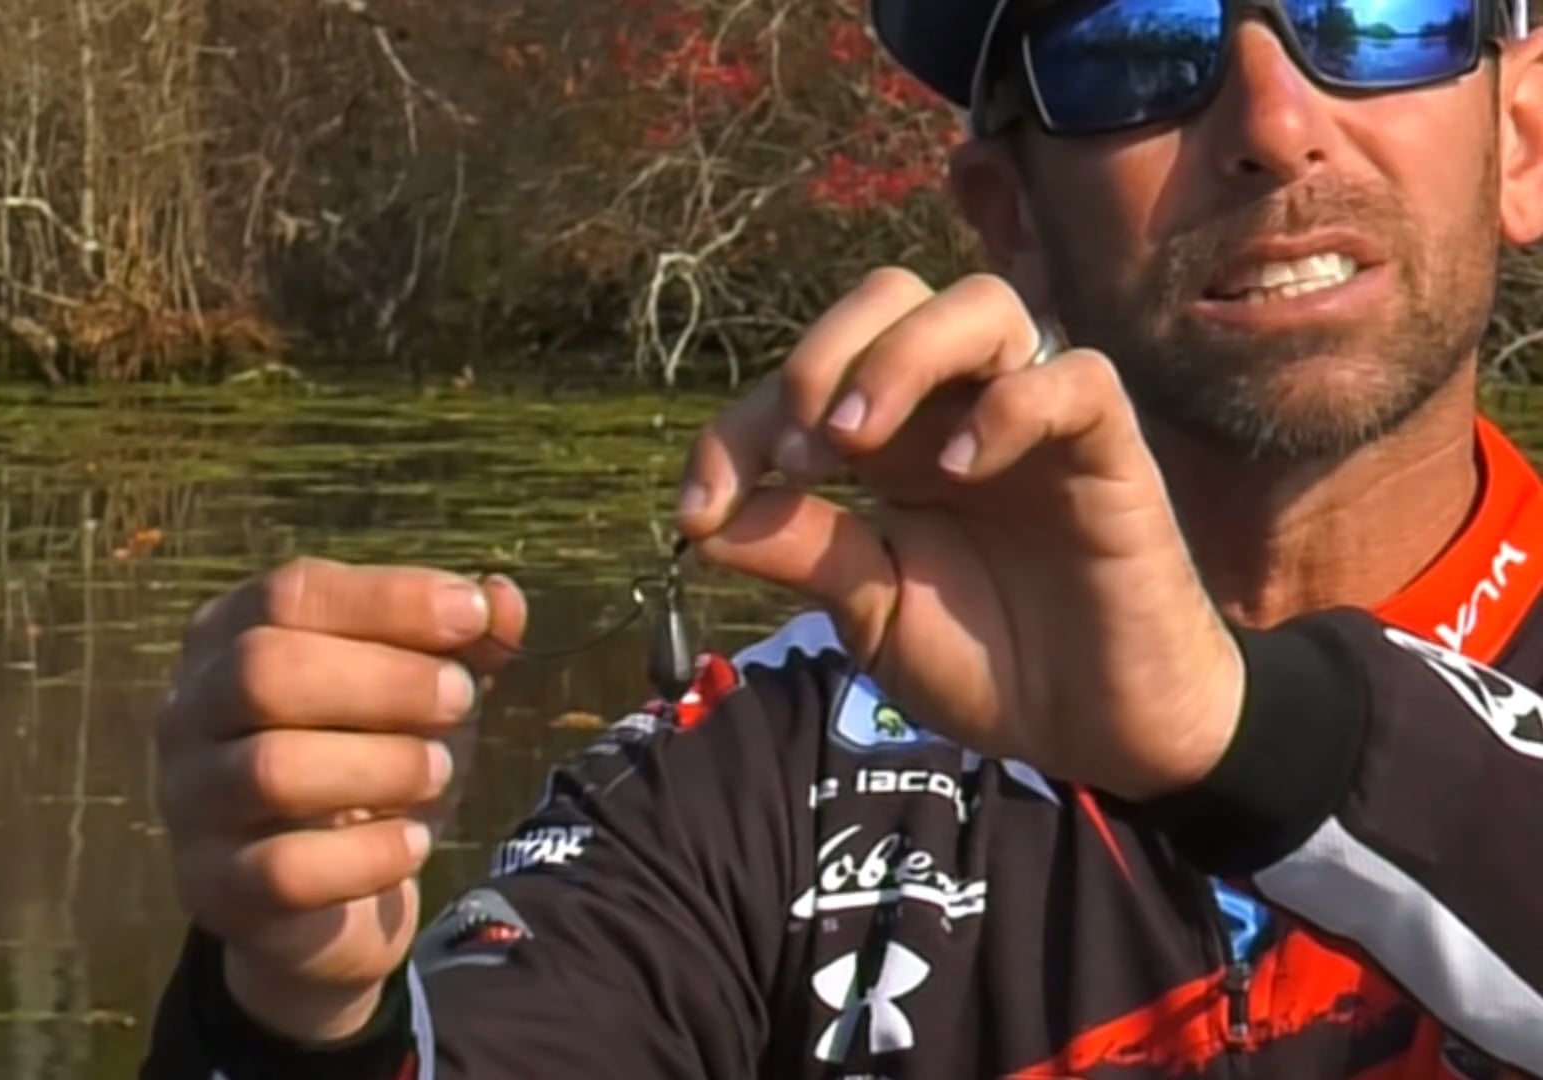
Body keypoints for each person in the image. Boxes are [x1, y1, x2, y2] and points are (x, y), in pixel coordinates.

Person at [141, 0, 1543, 1074]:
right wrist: (295, 1008)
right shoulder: (751, 781)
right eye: (1135, 45)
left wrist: (1241, 736)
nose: (1276, 121)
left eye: (1381, 17)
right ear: (1014, 222)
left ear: (1523, 138)